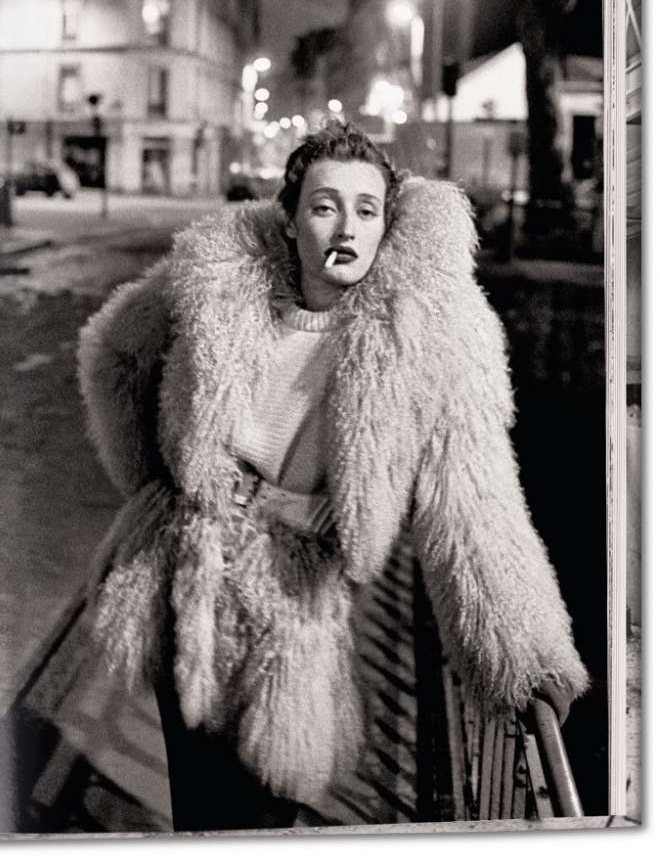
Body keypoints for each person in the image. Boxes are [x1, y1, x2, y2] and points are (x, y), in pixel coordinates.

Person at [66, 122, 587, 830]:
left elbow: (473, 496)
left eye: (366, 210)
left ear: (387, 224)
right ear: (289, 218)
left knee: (264, 816)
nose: (346, 228)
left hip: (294, 603)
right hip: (185, 577)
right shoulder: (220, 278)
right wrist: (168, 488)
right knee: (196, 809)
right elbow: (112, 355)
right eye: (324, 206)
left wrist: (526, 656)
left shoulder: (429, 331)